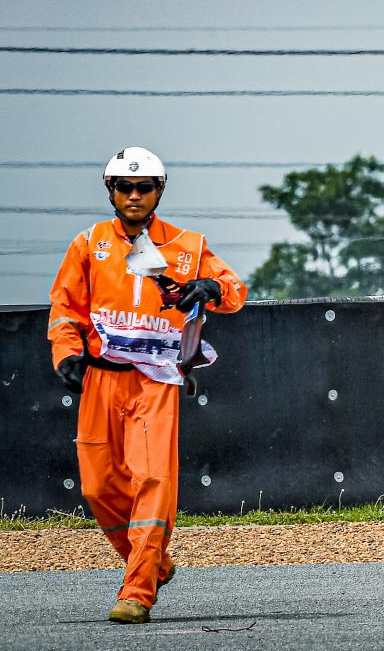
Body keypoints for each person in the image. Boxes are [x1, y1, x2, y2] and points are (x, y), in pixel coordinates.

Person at [48, 147, 246, 624]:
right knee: (98, 487)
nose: (134, 195)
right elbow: (65, 309)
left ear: (160, 190)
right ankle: (155, 562)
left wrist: (212, 288)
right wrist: (67, 354)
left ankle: (137, 591)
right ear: (110, 190)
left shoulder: (188, 244)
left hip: (157, 381)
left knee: (154, 479)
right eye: (124, 187)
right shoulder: (87, 243)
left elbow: (235, 292)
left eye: (144, 187)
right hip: (101, 378)